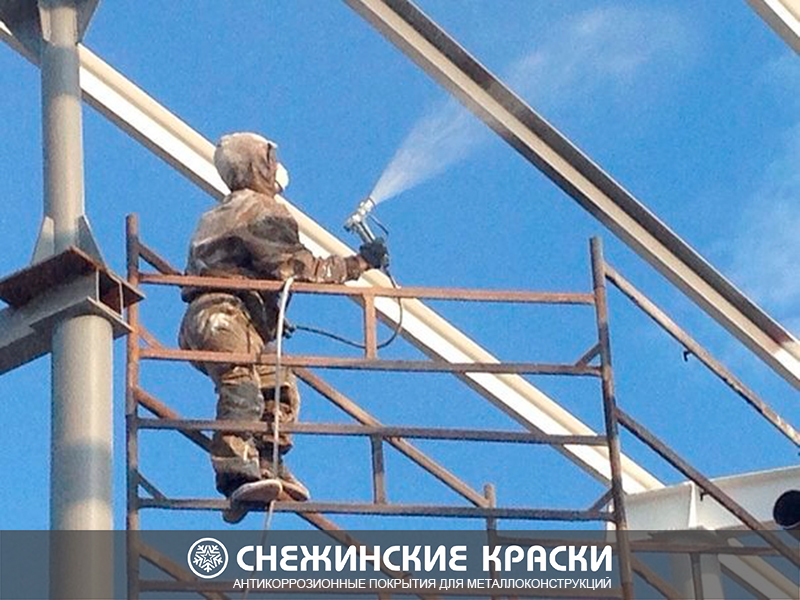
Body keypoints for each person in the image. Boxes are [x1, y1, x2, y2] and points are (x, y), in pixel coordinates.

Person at [179, 132, 387, 523]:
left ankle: (266, 462)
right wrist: (360, 263)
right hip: (223, 315)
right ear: (257, 165)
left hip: (224, 319)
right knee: (241, 383)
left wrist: (269, 311)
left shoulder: (223, 211)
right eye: (270, 162)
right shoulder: (259, 208)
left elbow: (246, 267)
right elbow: (298, 267)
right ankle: (235, 471)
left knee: (279, 385)